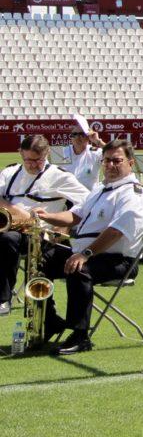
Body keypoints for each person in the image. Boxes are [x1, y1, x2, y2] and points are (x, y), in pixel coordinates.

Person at [32, 139, 143, 355]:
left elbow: (116, 231)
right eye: (106, 161)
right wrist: (46, 217)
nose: (110, 165)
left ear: (131, 163)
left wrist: (85, 254)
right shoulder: (100, 188)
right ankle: (49, 321)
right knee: (41, 257)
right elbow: (75, 215)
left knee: (80, 269)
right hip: (87, 252)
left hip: (117, 259)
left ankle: (80, 335)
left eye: (117, 160)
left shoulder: (134, 194)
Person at [0, 135, 89, 316]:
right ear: (20, 153)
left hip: (39, 235)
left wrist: (61, 222)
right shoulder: (9, 173)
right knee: (7, 238)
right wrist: (17, 212)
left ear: (47, 154)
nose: (32, 165)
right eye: (28, 160)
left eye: (37, 160)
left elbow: (89, 202)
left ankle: (3, 299)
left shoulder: (60, 177)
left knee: (8, 239)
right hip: (10, 227)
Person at [57, 126, 106, 191]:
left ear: (88, 137)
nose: (77, 137)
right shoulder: (61, 151)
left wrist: (98, 141)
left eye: (81, 134)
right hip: (66, 195)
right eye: (74, 134)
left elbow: (115, 153)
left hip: (87, 196)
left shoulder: (95, 153)